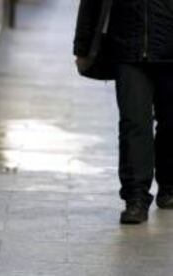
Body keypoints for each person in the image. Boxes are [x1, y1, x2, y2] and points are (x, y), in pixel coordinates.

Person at [74, 0, 173, 224]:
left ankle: (169, 186)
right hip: (128, 47)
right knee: (134, 122)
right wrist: (82, 46)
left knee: (171, 123)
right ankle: (135, 198)